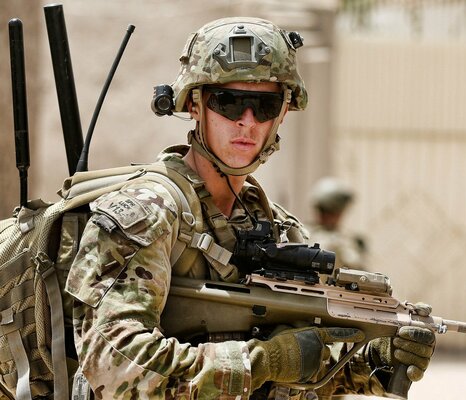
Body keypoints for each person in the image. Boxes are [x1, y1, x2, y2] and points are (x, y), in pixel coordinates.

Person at [65, 17, 435, 399]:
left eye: (265, 105)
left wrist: (371, 363)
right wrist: (264, 361)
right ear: (194, 104)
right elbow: (117, 368)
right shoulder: (147, 215)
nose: (247, 121)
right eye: (228, 102)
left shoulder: (281, 230)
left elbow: (296, 381)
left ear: (284, 112)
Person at [309, 177, 368, 269]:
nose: (326, 216)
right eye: (323, 210)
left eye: (330, 212)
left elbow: (360, 271)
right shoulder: (304, 233)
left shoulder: (353, 241)